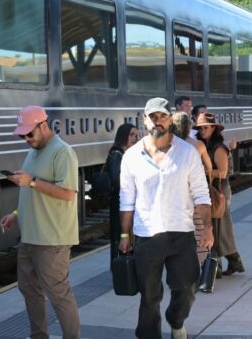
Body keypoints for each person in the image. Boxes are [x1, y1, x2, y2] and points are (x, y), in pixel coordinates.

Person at [119, 97, 213, 339]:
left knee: (188, 287)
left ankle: (176, 319)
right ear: (144, 120)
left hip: (181, 232)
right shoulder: (131, 156)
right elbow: (127, 200)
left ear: (170, 118)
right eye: (153, 117)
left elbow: (202, 195)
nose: (157, 121)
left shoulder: (188, 152)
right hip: (146, 234)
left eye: (162, 116)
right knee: (149, 295)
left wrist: (208, 230)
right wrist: (124, 234)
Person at [0, 106, 81, 339]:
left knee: (58, 294)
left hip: (52, 238)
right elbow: (30, 191)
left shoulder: (62, 152)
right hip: (30, 237)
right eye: (22, 135)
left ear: (43, 126)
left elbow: (68, 193)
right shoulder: (34, 151)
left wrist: (32, 181)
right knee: (28, 289)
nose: (26, 139)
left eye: (29, 134)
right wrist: (16, 213)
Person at [194, 112, 244, 277]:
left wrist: (204, 171)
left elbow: (222, 173)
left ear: (213, 128)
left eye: (205, 128)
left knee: (219, 228)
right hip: (209, 190)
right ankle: (227, 263)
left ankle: (220, 265)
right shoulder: (203, 145)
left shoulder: (219, 148)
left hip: (219, 191)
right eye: (199, 128)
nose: (202, 131)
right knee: (218, 229)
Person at [172, 111, 212, 265]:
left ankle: (181, 263)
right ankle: (200, 265)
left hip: (177, 195)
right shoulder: (198, 145)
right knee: (199, 228)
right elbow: (209, 168)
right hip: (195, 194)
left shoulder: (170, 145)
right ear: (189, 127)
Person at [105, 123, 139, 263]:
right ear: (123, 136)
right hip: (118, 203)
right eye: (131, 135)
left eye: (136, 135)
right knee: (119, 237)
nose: (134, 138)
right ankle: (119, 270)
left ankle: (127, 267)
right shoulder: (117, 154)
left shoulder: (128, 154)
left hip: (125, 202)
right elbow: (117, 181)